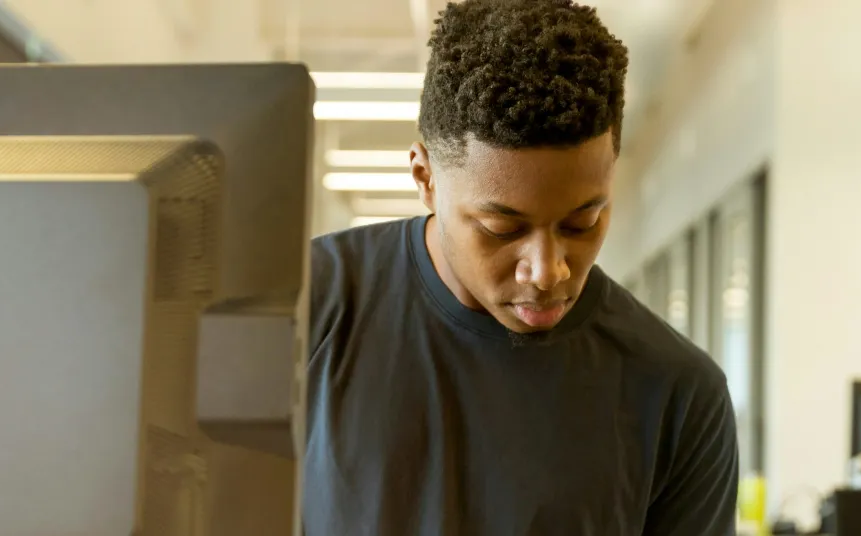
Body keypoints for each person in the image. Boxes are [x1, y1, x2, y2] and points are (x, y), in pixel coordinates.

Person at [303, 0, 739, 534]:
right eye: (501, 229)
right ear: (425, 179)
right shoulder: (306, 308)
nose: (547, 271)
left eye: (583, 223)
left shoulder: (679, 393)